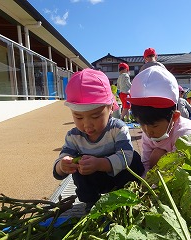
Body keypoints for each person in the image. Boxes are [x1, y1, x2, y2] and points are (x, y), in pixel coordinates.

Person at [53, 68, 144, 213]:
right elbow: (63, 158)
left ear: (110, 108)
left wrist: (101, 164)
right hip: (95, 182)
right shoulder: (73, 136)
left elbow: (125, 156)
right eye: (79, 117)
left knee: (134, 159)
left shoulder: (118, 128)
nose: (87, 124)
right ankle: (91, 203)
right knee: (78, 167)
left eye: (95, 116)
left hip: (119, 178)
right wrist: (63, 166)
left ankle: (129, 197)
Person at [127, 66, 191, 176]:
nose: (148, 132)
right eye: (142, 124)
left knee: (159, 155)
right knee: (154, 156)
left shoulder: (185, 134)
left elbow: (184, 172)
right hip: (170, 170)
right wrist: (144, 184)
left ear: (174, 117)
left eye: (155, 126)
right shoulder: (148, 132)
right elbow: (146, 163)